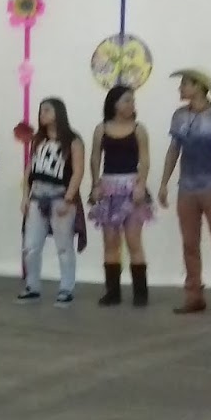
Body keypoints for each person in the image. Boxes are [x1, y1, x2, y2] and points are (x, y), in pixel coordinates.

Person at [158, 69, 211, 317]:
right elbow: (174, 150)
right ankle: (193, 294)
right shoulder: (180, 116)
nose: (181, 88)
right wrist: (164, 183)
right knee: (189, 243)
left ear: (199, 87)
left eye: (185, 84)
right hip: (188, 187)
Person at [88, 85, 153, 306]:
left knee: (134, 240)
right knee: (110, 241)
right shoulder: (101, 129)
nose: (131, 104)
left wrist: (141, 185)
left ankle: (140, 293)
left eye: (132, 100)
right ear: (114, 104)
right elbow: (95, 158)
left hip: (131, 185)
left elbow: (145, 159)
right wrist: (95, 184)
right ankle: (112, 292)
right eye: (126, 100)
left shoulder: (138, 129)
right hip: (109, 187)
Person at [19, 98, 87, 306]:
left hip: (60, 196)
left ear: (59, 112)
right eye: (41, 111)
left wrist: (69, 198)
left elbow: (78, 171)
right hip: (37, 196)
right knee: (30, 246)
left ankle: (66, 288)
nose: (43, 114)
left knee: (64, 246)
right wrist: (25, 196)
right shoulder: (38, 140)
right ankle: (32, 286)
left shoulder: (73, 141)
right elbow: (30, 169)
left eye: (47, 110)